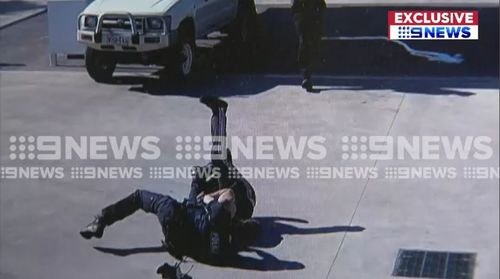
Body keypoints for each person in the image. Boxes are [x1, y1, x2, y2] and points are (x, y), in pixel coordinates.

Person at [80, 96, 258, 265]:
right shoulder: (223, 218)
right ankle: (102, 220)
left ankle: (219, 112)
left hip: (188, 216)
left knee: (211, 166)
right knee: (199, 176)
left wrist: (207, 198)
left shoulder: (237, 190)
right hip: (187, 222)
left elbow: (227, 196)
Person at [292, 0, 326, 92]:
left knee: (314, 43)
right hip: (300, 12)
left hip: (315, 11)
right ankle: (306, 76)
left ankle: (308, 72)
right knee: (303, 42)